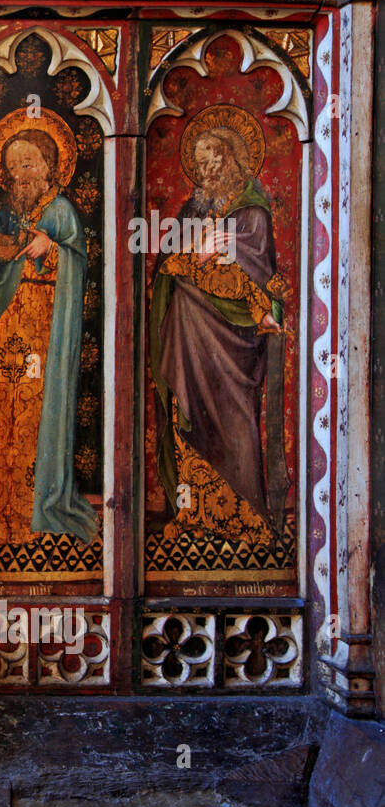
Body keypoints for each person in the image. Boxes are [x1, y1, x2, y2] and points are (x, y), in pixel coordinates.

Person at [0, 106, 96, 544]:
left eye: (28, 164)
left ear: (50, 166)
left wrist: (50, 247)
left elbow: (77, 264)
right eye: (13, 167)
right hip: (0, 336)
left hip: (42, 336)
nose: (20, 175)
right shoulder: (8, 216)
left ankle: (36, 510)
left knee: (33, 423)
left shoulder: (62, 211)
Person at [150, 105, 289, 545]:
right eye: (201, 163)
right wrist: (196, 257)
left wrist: (199, 262)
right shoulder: (194, 209)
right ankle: (194, 515)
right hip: (189, 342)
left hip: (234, 343)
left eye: (215, 160)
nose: (208, 170)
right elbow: (166, 264)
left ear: (233, 161)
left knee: (233, 421)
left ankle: (247, 519)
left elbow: (255, 277)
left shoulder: (252, 215)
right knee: (188, 417)